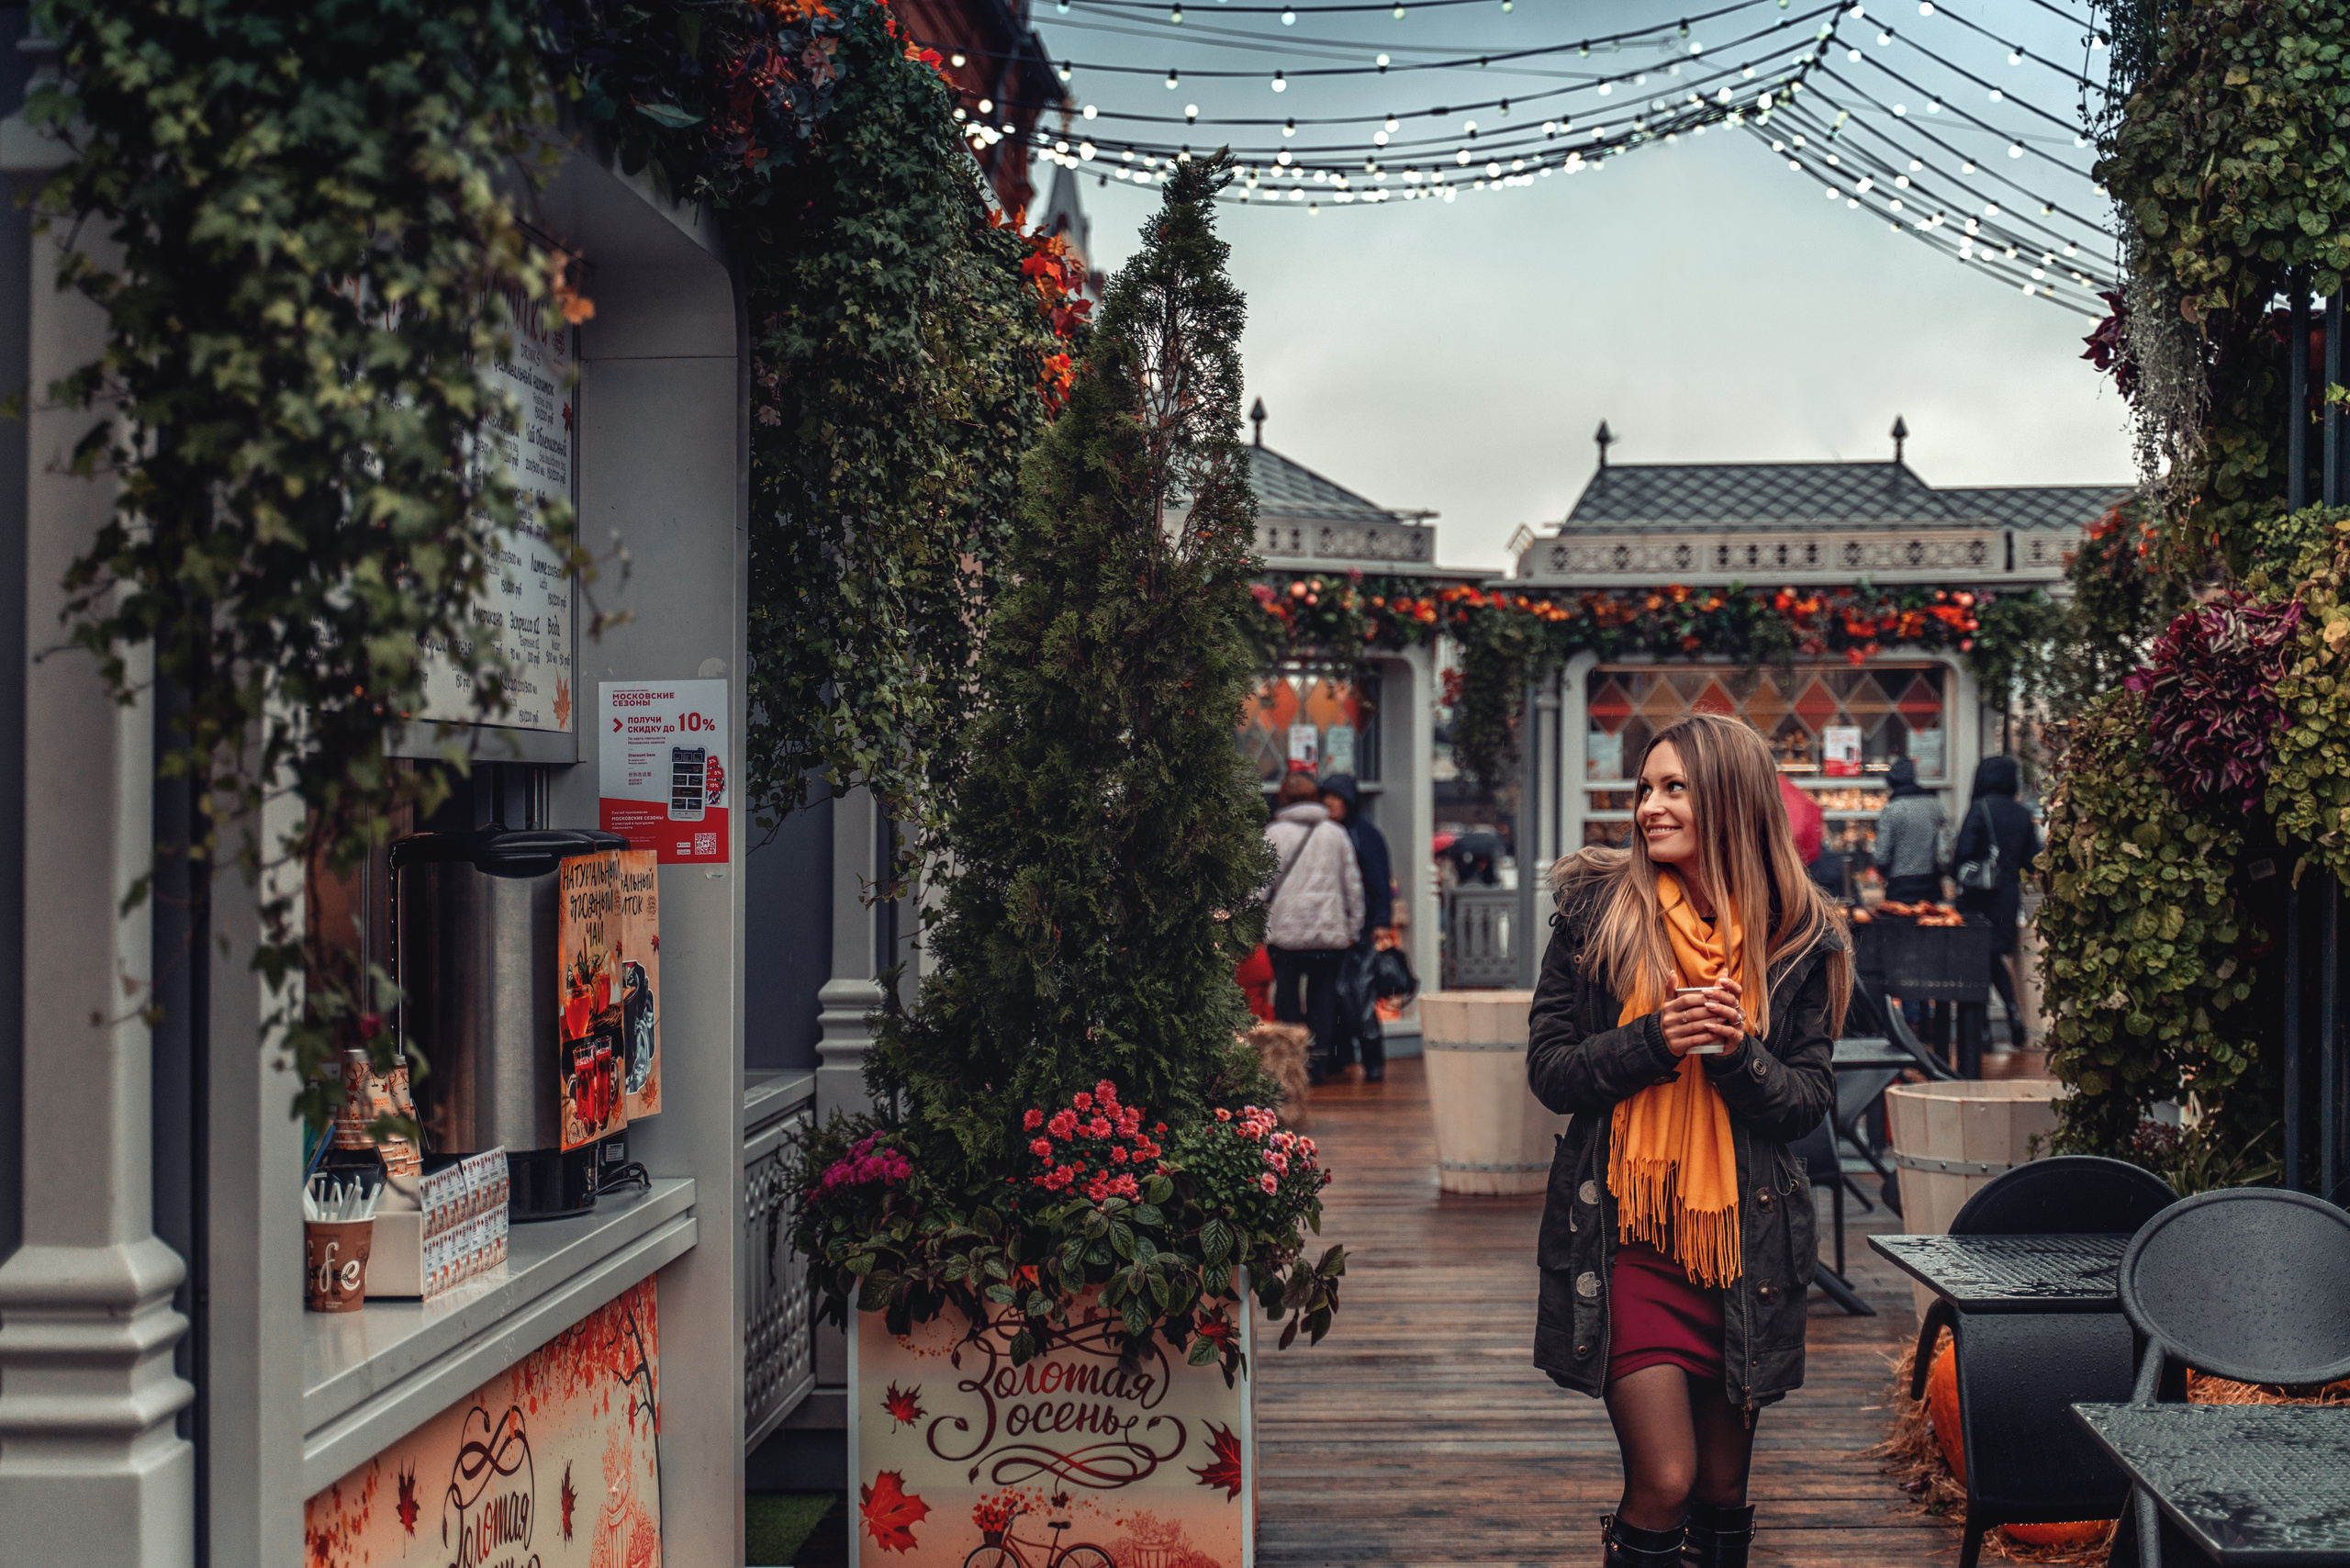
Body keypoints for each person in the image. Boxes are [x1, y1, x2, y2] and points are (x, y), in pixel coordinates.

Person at [1527, 712, 1849, 1568]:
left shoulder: (1798, 936)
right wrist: (1654, 1040)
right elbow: (1552, 1071)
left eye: (1674, 789)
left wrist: (1738, 1053)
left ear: (1732, 802)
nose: (1648, 809)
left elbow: (1806, 1102)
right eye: (1645, 789)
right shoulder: (1596, 913)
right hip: (1625, 1236)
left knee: (1719, 1489)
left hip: (1745, 1249)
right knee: (1664, 1478)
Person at [1263, 770, 1364, 1083]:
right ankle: (1317, 1067)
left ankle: (1290, 1067)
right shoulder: (1335, 833)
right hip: (1328, 935)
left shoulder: (1273, 834)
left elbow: (1259, 887)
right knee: (1323, 1002)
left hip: (1285, 935)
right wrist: (1353, 927)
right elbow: (1353, 886)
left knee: (1287, 1001)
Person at [1952, 755, 2040, 1041]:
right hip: (2007, 895)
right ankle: (2012, 1011)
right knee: (1992, 954)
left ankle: (1984, 1028)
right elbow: (2033, 861)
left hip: (1979, 896)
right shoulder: (2022, 813)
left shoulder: (1980, 808)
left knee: (1978, 957)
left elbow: (1964, 851)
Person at [1320, 774, 1396, 1081]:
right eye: (1325, 797)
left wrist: (1380, 921)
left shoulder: (1366, 835)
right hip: (1331, 926)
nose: (1329, 803)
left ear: (1348, 802)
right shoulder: (1326, 834)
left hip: (1360, 927)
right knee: (1333, 996)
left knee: (1361, 996)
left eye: (1335, 798)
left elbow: (1379, 881)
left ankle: (1373, 1061)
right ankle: (1340, 1058)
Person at [1872, 756, 1944, 905]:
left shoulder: (1892, 810)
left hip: (1900, 886)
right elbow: (1946, 844)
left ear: (1892, 782)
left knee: (1901, 925)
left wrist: (1884, 872)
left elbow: (1881, 855)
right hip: (1931, 883)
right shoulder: (1934, 806)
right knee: (1928, 923)